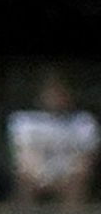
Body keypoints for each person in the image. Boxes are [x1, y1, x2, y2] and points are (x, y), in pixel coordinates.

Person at [11, 70, 96, 205]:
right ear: (41, 95)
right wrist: (40, 179)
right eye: (51, 93)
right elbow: (25, 158)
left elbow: (85, 160)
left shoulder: (83, 122)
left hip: (69, 178)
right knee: (23, 179)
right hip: (37, 177)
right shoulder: (24, 121)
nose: (56, 97)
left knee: (79, 180)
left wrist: (64, 181)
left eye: (60, 93)